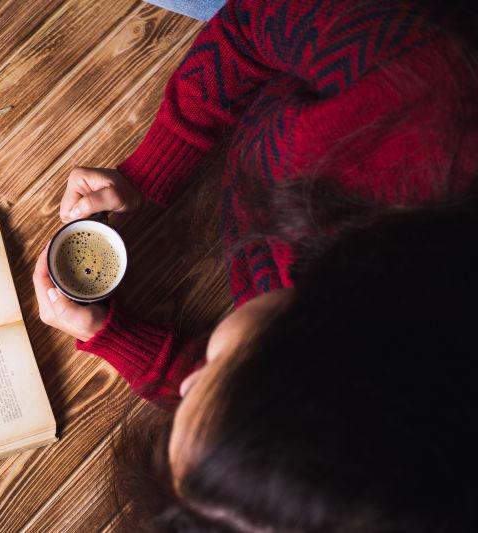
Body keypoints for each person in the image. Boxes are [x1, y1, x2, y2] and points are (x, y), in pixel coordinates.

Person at [32, 0, 477, 529]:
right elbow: (248, 24)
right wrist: (154, 163)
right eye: (213, 374)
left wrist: (110, 333)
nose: (188, 385)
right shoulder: (423, 91)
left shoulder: (372, 392)